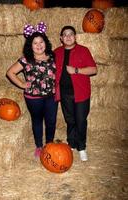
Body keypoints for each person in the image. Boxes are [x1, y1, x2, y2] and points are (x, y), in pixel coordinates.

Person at [6, 22, 58, 158]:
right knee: (37, 121)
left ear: (45, 43)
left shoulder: (53, 57)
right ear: (31, 45)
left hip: (51, 96)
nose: (39, 45)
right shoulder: (25, 60)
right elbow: (10, 72)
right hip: (33, 98)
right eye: (35, 43)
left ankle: (49, 145)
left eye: (41, 42)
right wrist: (22, 84)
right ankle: (39, 146)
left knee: (51, 121)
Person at [54, 25, 97, 161]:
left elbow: (93, 70)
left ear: (75, 37)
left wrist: (77, 70)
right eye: (65, 34)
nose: (68, 36)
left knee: (80, 120)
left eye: (70, 34)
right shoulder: (57, 52)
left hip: (81, 93)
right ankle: (71, 143)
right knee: (70, 120)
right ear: (61, 38)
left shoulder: (83, 51)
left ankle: (82, 147)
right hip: (65, 93)